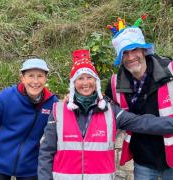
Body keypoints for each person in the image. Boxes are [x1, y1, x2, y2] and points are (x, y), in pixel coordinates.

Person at [38, 49, 173, 180]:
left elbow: (141, 123)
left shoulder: (109, 110)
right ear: (73, 84)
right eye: (80, 78)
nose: (85, 83)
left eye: (89, 77)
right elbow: (46, 152)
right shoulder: (59, 110)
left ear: (96, 82)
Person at [105, 16, 173, 180]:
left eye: (134, 50)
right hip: (143, 159)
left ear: (144, 50)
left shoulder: (170, 71)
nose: (130, 57)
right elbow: (105, 105)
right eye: (125, 53)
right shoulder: (115, 82)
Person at [0, 58, 58, 180]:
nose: (35, 81)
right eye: (30, 76)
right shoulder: (7, 96)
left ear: (46, 78)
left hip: (30, 165)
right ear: (22, 78)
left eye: (40, 76)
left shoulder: (52, 103)